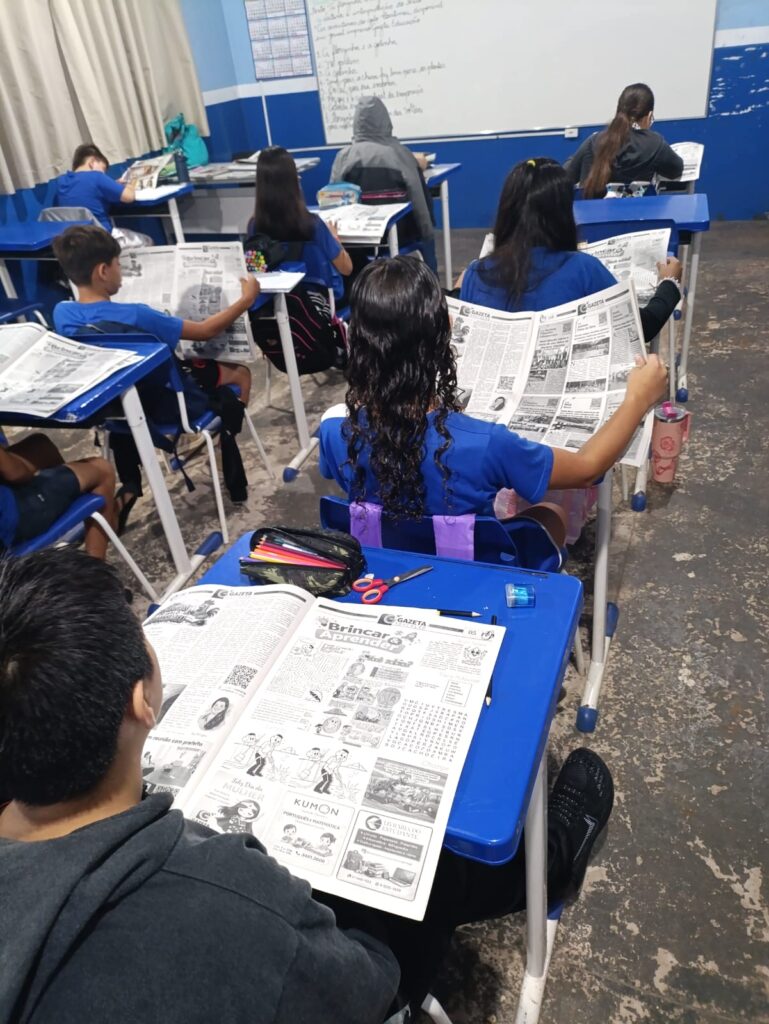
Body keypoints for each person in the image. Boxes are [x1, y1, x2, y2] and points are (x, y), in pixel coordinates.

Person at [0, 548, 614, 1018]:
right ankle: (548, 860)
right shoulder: (227, 903)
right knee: (423, 876)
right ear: (142, 702)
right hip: (338, 975)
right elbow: (362, 987)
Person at [320, 256, 668, 523]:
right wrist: (637, 399)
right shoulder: (485, 445)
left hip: (386, 562)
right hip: (472, 574)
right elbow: (588, 468)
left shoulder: (335, 433)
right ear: (444, 333)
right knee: (551, 516)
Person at [52, 225, 258, 525]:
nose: (121, 271)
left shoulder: (62, 314)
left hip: (113, 411)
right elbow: (205, 330)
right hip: (172, 409)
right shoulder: (138, 315)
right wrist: (245, 300)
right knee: (240, 375)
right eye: (118, 264)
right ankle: (221, 443)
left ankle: (133, 482)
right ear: (103, 271)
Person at [459, 158, 683, 343]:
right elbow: (642, 327)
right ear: (562, 213)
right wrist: (669, 284)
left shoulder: (476, 273)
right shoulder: (583, 269)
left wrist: (457, 289)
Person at [247, 147, 351, 372]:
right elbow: (346, 268)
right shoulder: (312, 224)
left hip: (275, 304)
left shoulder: (255, 226)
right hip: (319, 304)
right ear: (294, 181)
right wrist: (335, 239)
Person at [330, 96, 437, 271]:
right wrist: (427, 233)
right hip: (400, 234)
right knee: (427, 239)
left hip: (357, 238)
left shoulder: (343, 157)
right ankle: (434, 285)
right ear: (386, 120)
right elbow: (420, 202)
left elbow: (333, 203)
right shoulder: (401, 155)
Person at [0, 432, 116, 560]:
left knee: (41, 445)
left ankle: (71, 519)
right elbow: (16, 474)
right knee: (102, 469)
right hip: (11, 524)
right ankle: (96, 572)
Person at [564, 83, 684, 198]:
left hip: (591, 217)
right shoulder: (655, 144)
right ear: (649, 116)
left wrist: (573, 159)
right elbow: (676, 170)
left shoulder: (595, 141)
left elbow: (566, 176)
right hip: (640, 216)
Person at [55, 143, 152, 249]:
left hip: (76, 244)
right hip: (101, 239)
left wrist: (113, 185)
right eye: (103, 169)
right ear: (92, 163)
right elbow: (129, 197)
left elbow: (87, 193)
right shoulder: (97, 177)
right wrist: (130, 183)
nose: (104, 174)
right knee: (147, 241)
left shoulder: (62, 181)